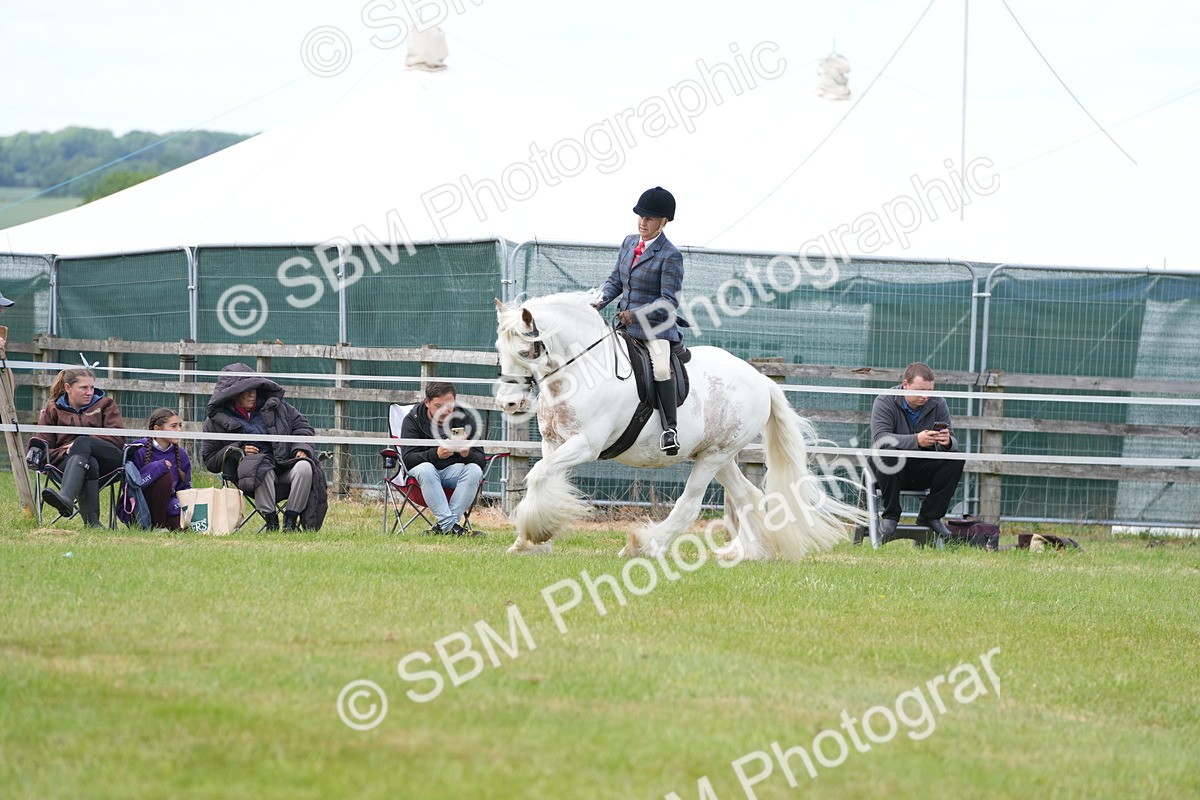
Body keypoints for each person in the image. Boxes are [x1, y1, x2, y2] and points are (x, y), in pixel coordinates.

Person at [593, 186, 685, 455]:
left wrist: (636, 314)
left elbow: (669, 301)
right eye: (641, 217)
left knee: (661, 369)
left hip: (655, 330)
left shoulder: (670, 255)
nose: (642, 223)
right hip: (624, 326)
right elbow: (615, 281)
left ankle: (669, 429)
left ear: (664, 222)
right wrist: (598, 301)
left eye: (649, 219)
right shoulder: (629, 243)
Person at [200, 363, 328, 531]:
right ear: (232, 394)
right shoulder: (214, 422)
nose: (252, 394)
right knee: (259, 466)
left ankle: (290, 521)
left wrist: (301, 448)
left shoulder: (278, 407)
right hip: (251, 476)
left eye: (254, 389)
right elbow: (210, 460)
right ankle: (271, 522)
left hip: (284, 466)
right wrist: (238, 450)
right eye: (246, 390)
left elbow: (302, 428)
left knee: (305, 466)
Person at [869, 362, 965, 540]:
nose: (925, 396)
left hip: (921, 467)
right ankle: (891, 515)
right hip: (888, 470)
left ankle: (931, 515)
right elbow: (880, 439)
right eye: (920, 390)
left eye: (929, 391)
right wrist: (916, 440)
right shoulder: (885, 400)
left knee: (956, 459)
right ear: (905, 384)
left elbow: (952, 440)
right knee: (887, 454)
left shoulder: (939, 403)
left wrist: (947, 442)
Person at [36, 367, 126, 526]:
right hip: (68, 464)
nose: (89, 392)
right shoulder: (53, 409)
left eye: (92, 387)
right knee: (89, 463)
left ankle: (66, 497)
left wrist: (82, 443)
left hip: (109, 460)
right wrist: (65, 451)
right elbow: (43, 452)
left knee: (82, 442)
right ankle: (93, 524)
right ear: (68, 388)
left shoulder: (106, 404)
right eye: (84, 388)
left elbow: (118, 438)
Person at [400, 381, 486, 535]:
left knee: (474, 470)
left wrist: (467, 454)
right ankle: (451, 527)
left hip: (452, 473)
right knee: (426, 469)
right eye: (439, 406)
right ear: (427, 402)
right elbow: (408, 460)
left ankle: (445, 528)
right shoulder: (412, 420)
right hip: (422, 478)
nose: (445, 411)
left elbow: (481, 460)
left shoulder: (465, 419)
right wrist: (436, 454)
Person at [120, 407, 192, 530]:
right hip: (140, 508)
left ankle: (165, 522)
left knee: (184, 526)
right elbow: (132, 487)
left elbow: (185, 489)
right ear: (157, 429)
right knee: (165, 476)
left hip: (169, 507)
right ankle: (159, 527)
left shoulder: (181, 454)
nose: (179, 430)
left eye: (180, 425)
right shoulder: (137, 449)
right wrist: (157, 467)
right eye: (173, 426)